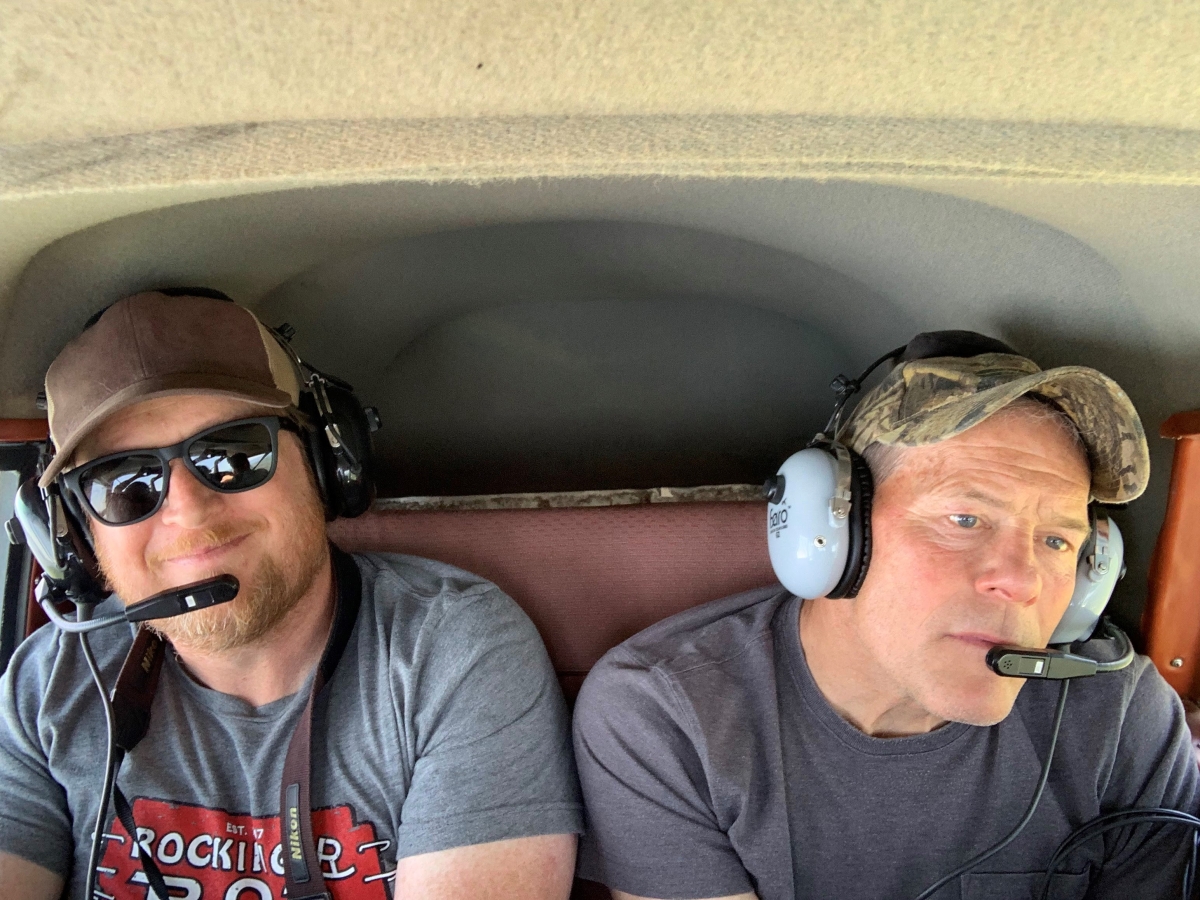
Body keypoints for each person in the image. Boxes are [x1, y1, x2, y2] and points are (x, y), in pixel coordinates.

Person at [573, 333, 1200, 900]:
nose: (1024, 581)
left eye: (1057, 542)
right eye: (965, 519)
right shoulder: (667, 716)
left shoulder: (1121, 718)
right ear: (828, 533)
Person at [0, 290, 582, 899]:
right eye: (126, 481)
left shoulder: (448, 653)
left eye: (232, 452)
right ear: (74, 533)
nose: (189, 511)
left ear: (329, 464)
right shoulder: (48, 689)